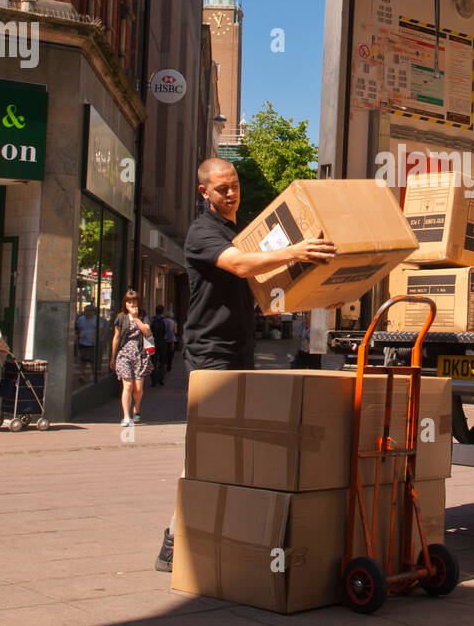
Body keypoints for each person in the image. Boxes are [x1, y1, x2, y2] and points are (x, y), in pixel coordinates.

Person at [155, 157, 337, 570]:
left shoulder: (238, 230)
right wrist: (295, 250)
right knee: (207, 447)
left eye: (234, 184)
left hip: (238, 351)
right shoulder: (203, 231)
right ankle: (173, 537)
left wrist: (322, 292)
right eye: (222, 188)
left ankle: (221, 532)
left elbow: (263, 287)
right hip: (209, 353)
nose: (232, 192)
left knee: (233, 445)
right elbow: (239, 265)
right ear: (204, 192)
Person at [110, 290, 153, 427]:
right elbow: (116, 337)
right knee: (127, 385)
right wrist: (113, 356)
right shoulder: (121, 317)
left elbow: (147, 331)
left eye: (134, 301)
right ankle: (126, 416)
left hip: (140, 354)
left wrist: (135, 318)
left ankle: (137, 407)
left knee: (138, 388)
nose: (132, 304)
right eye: (129, 302)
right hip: (124, 353)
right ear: (125, 303)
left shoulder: (143, 315)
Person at [75, 304, 97, 378]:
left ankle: (93, 375)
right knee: (83, 360)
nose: (88, 312)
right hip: (83, 342)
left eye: (90, 311)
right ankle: (82, 374)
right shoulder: (80, 320)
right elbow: (77, 331)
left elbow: (100, 331)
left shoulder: (96, 319)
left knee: (92, 360)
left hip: (93, 343)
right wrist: (77, 342)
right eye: (86, 311)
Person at [149, 304, 168, 387]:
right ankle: (160, 378)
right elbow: (169, 333)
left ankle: (153, 379)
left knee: (153, 361)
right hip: (163, 343)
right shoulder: (166, 321)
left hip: (153, 343)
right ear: (163, 311)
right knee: (162, 361)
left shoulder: (151, 320)